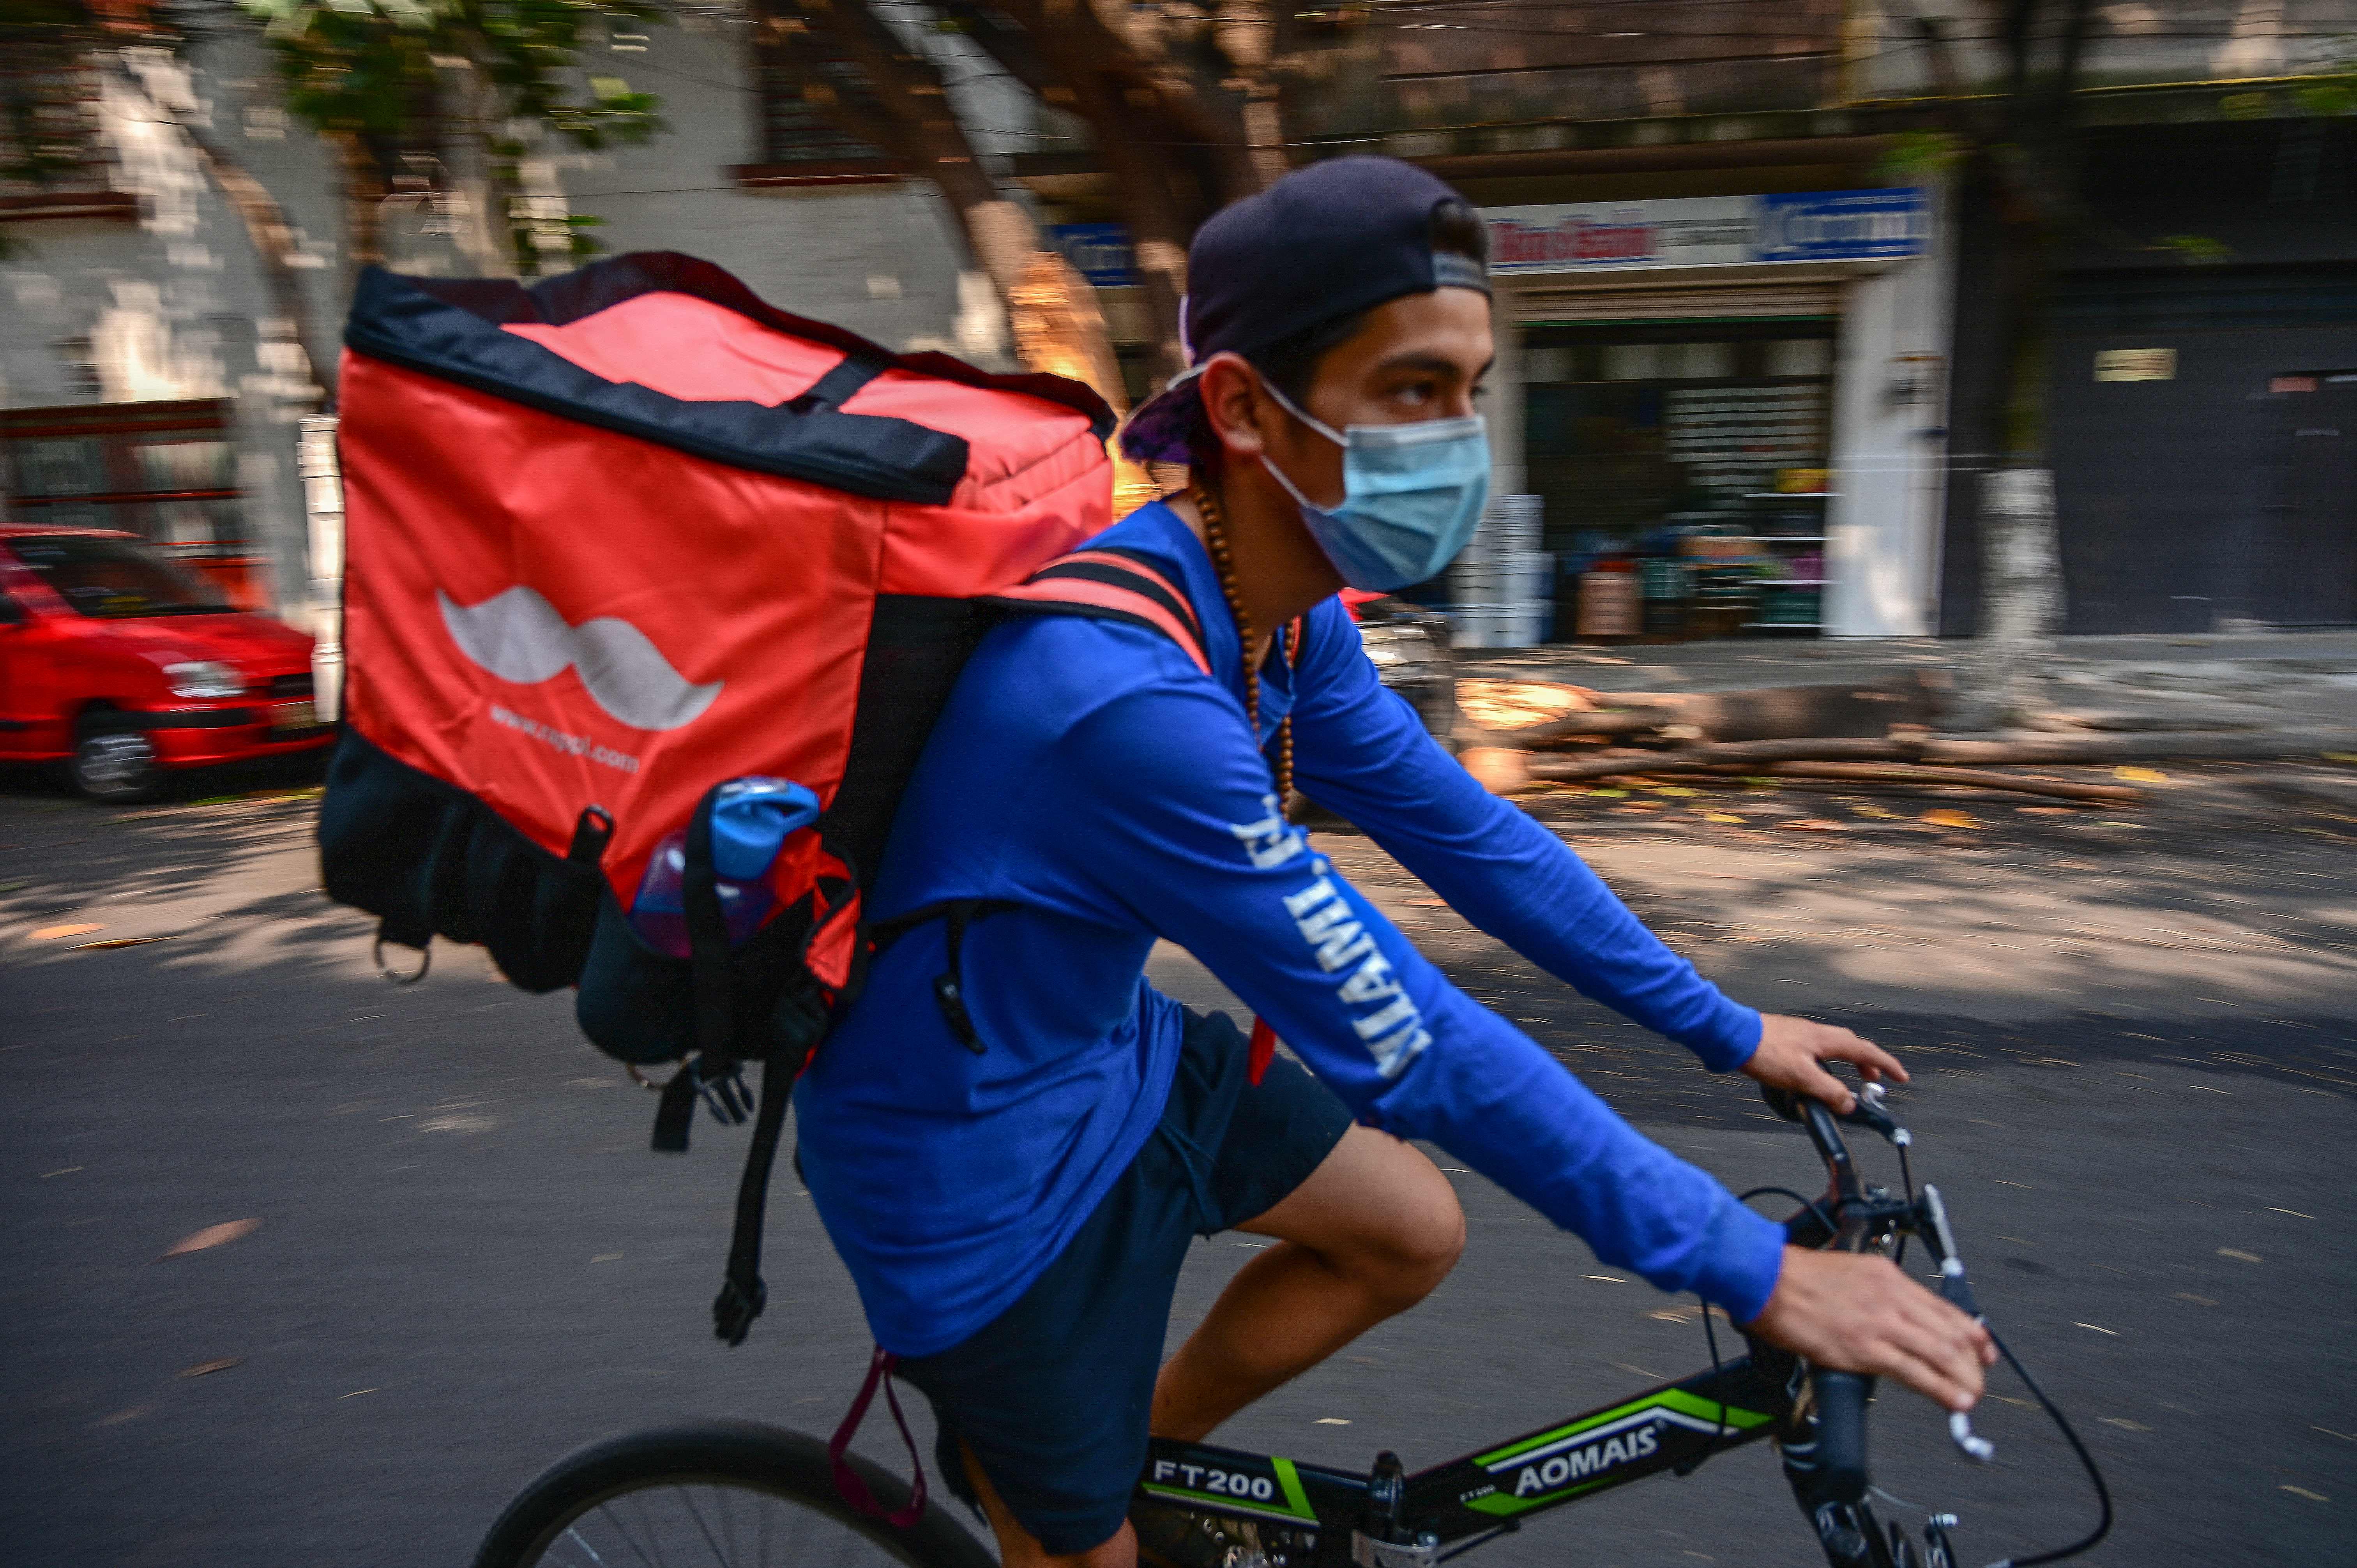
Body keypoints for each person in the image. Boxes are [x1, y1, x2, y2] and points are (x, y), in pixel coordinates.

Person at [794, 157, 1992, 1568]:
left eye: (1472, 389)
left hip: (1104, 1064)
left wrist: (1724, 1029)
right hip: (968, 1173)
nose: (1463, 437)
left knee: (1409, 1228)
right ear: (1242, 406)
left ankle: (1144, 1461)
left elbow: (1471, 836)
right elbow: (1408, 1037)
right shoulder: (1121, 701)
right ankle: (1080, 1496)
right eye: (1415, 391)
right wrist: (1749, 1271)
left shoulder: (1282, 621)